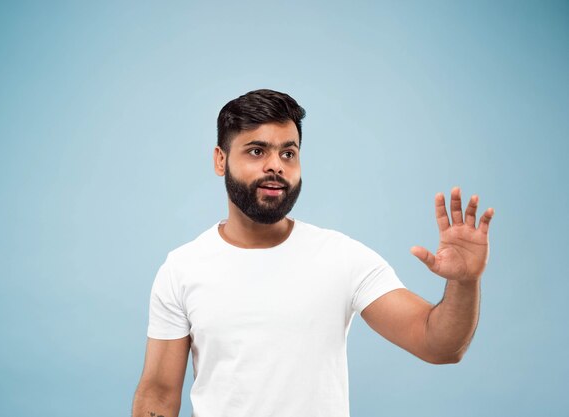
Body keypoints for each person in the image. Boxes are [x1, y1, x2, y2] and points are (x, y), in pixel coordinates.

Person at [131, 89, 494, 417]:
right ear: (220, 160)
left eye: (288, 153)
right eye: (257, 151)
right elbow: (159, 395)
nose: (275, 165)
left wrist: (465, 283)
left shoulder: (342, 258)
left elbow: (440, 345)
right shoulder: (182, 268)